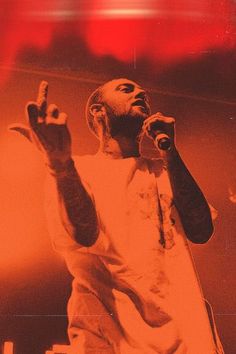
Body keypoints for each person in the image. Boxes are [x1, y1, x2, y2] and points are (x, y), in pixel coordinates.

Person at [11, 79, 224, 353]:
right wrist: (61, 165)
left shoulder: (165, 170)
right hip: (112, 338)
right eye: (126, 90)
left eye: (143, 93)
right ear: (98, 111)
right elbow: (85, 234)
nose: (140, 94)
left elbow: (201, 230)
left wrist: (169, 151)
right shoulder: (79, 171)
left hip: (189, 337)